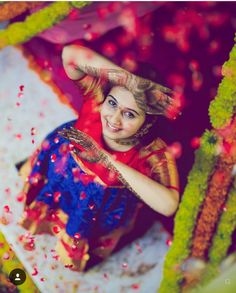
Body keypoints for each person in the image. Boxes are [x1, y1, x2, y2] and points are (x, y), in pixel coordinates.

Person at [18, 44, 180, 272]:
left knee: (83, 224)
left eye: (130, 114)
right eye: (113, 103)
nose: (113, 119)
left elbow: (168, 205)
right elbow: (70, 55)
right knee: (51, 194)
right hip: (63, 167)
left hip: (96, 205)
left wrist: (106, 159)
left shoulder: (152, 150)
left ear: (148, 122)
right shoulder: (97, 97)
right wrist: (130, 82)